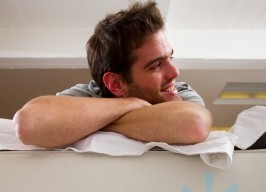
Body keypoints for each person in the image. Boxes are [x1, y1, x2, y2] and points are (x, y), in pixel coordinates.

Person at [13, 0, 212, 148]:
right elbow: (30, 124)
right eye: (157, 65)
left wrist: (92, 123)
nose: (175, 72)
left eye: (170, 58)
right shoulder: (88, 94)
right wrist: (131, 104)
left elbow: (195, 124)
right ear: (116, 84)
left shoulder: (179, 91)